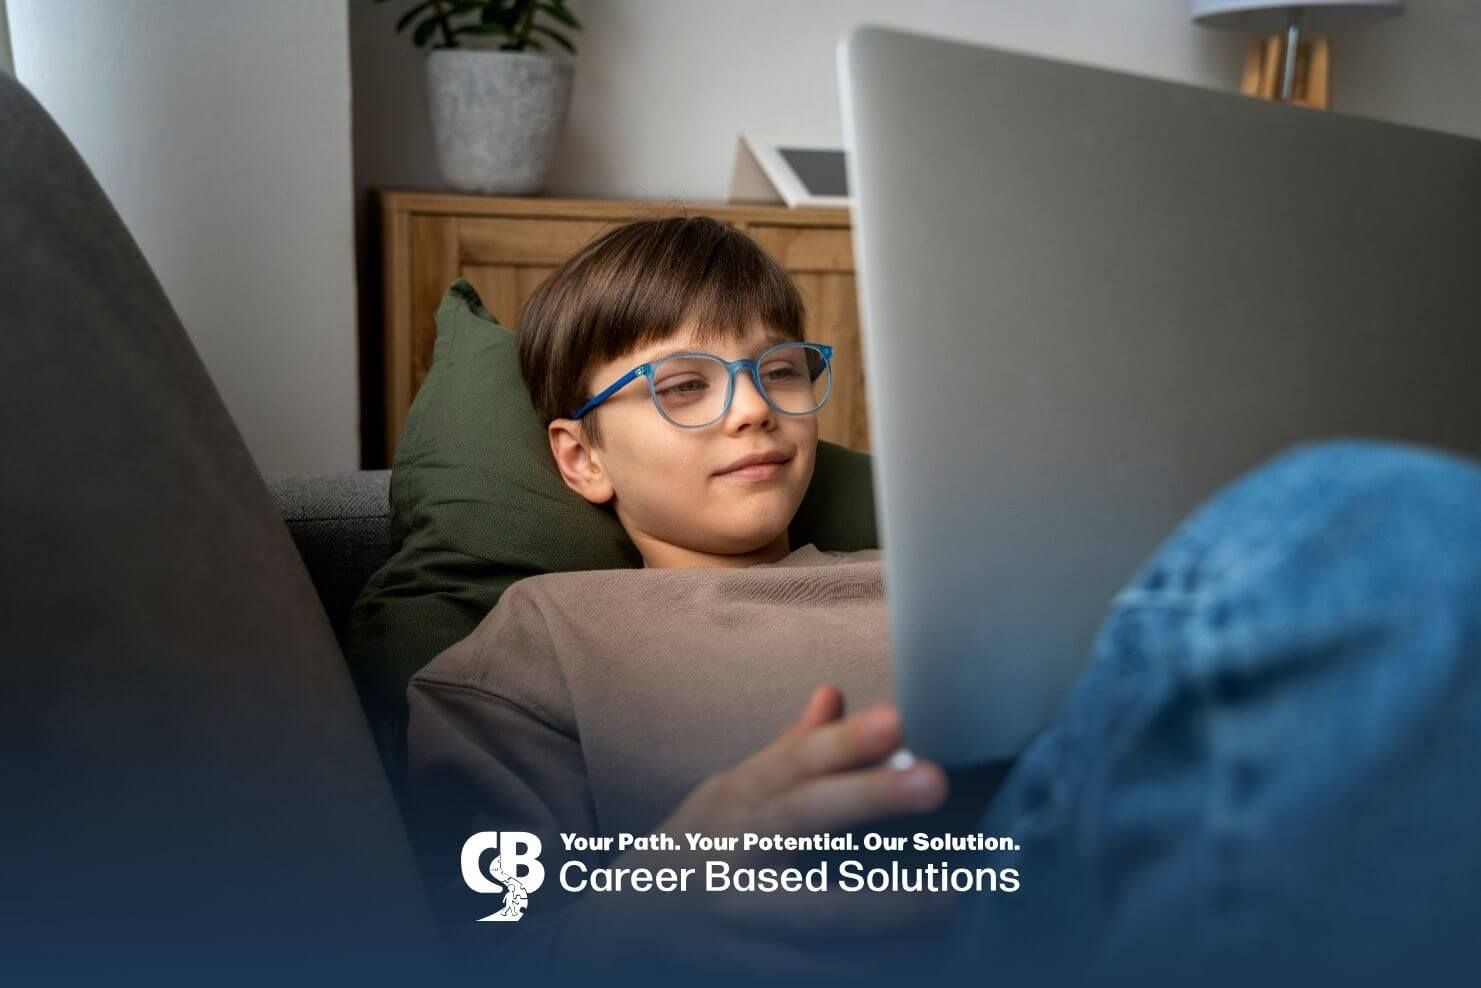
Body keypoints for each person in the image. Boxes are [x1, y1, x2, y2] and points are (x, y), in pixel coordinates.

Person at [406, 216, 1481, 986]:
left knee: (1386, 525)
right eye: (681, 386)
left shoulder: (946, 566)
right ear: (580, 457)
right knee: (1363, 499)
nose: (750, 414)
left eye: (778, 371)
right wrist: (652, 893)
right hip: (915, 931)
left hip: (1093, 858)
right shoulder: (537, 638)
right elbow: (487, 939)